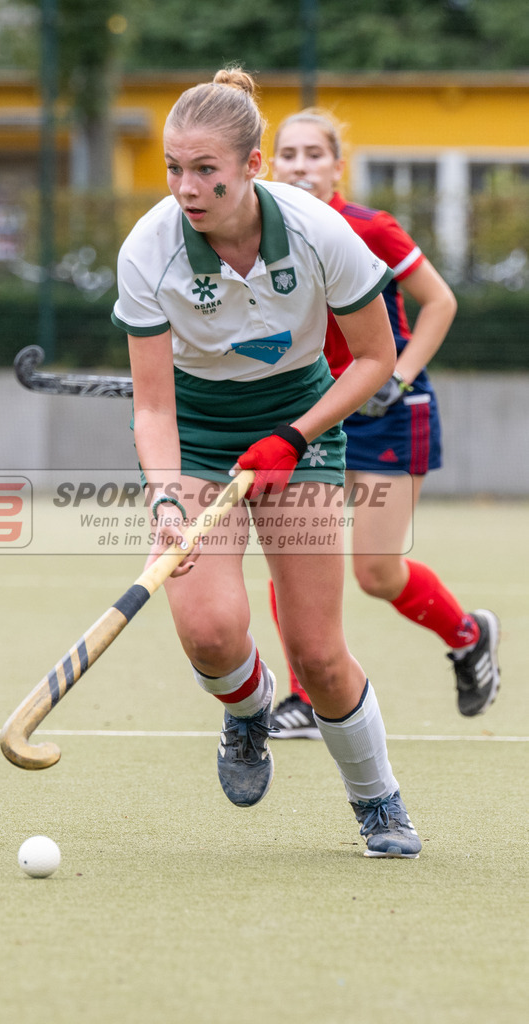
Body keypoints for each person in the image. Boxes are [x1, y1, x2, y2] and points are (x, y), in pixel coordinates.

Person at [111, 67, 422, 858]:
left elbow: (375, 359)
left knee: (317, 655)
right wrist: (166, 503)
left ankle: (376, 800)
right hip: (198, 435)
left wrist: (292, 434)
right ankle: (246, 711)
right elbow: (151, 406)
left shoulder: (319, 230)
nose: (186, 187)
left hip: (304, 427)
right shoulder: (148, 249)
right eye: (174, 169)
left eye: (205, 170)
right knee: (210, 632)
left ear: (251, 167)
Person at [267, 108, 501, 740]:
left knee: (377, 574)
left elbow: (439, 302)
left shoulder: (369, 227)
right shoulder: (260, 236)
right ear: (268, 164)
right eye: (289, 154)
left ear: (337, 165)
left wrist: (396, 376)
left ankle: (468, 635)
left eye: (315, 154)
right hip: (314, 412)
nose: (301, 166)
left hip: (388, 414)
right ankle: (306, 698)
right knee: (294, 558)